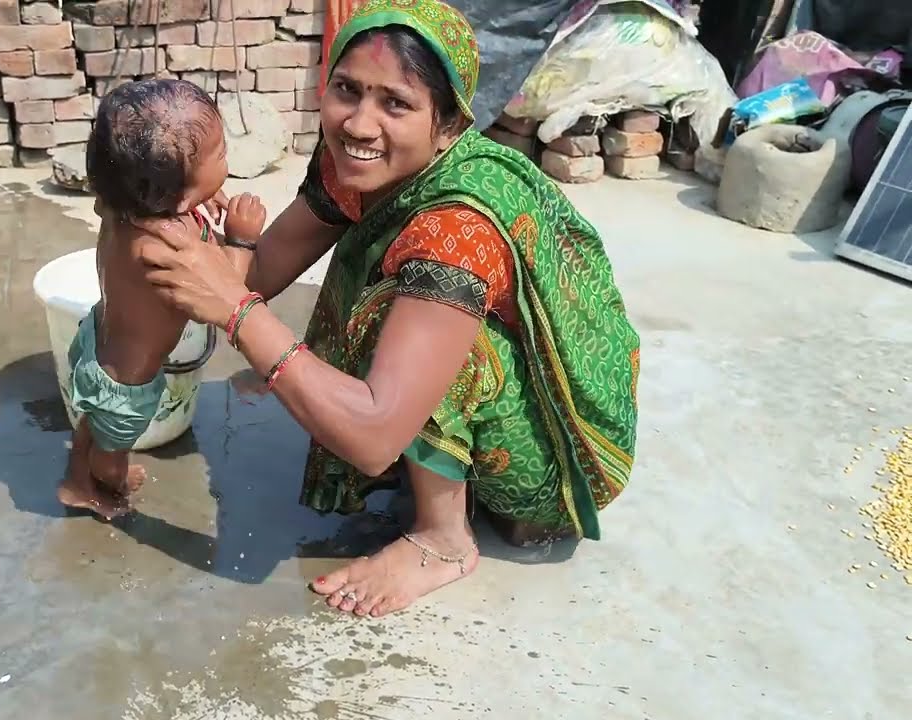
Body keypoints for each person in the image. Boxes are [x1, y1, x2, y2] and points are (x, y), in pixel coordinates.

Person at [139, 0, 642, 617]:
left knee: (400, 316)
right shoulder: (356, 164)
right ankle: (436, 462)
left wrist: (237, 311)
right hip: (468, 400)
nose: (358, 124)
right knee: (376, 300)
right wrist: (206, 252)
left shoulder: (456, 227)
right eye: (346, 90)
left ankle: (444, 538)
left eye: (395, 104)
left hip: (556, 461)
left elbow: (373, 437)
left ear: (449, 124)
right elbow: (267, 269)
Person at [58, 78, 268, 519]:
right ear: (181, 193)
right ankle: (99, 487)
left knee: (90, 426)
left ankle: (77, 475)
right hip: (127, 386)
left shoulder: (120, 206)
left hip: (96, 341)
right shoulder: (168, 247)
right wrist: (242, 241)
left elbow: (163, 196)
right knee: (112, 449)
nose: (227, 157)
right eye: (221, 154)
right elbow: (223, 292)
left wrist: (200, 197)